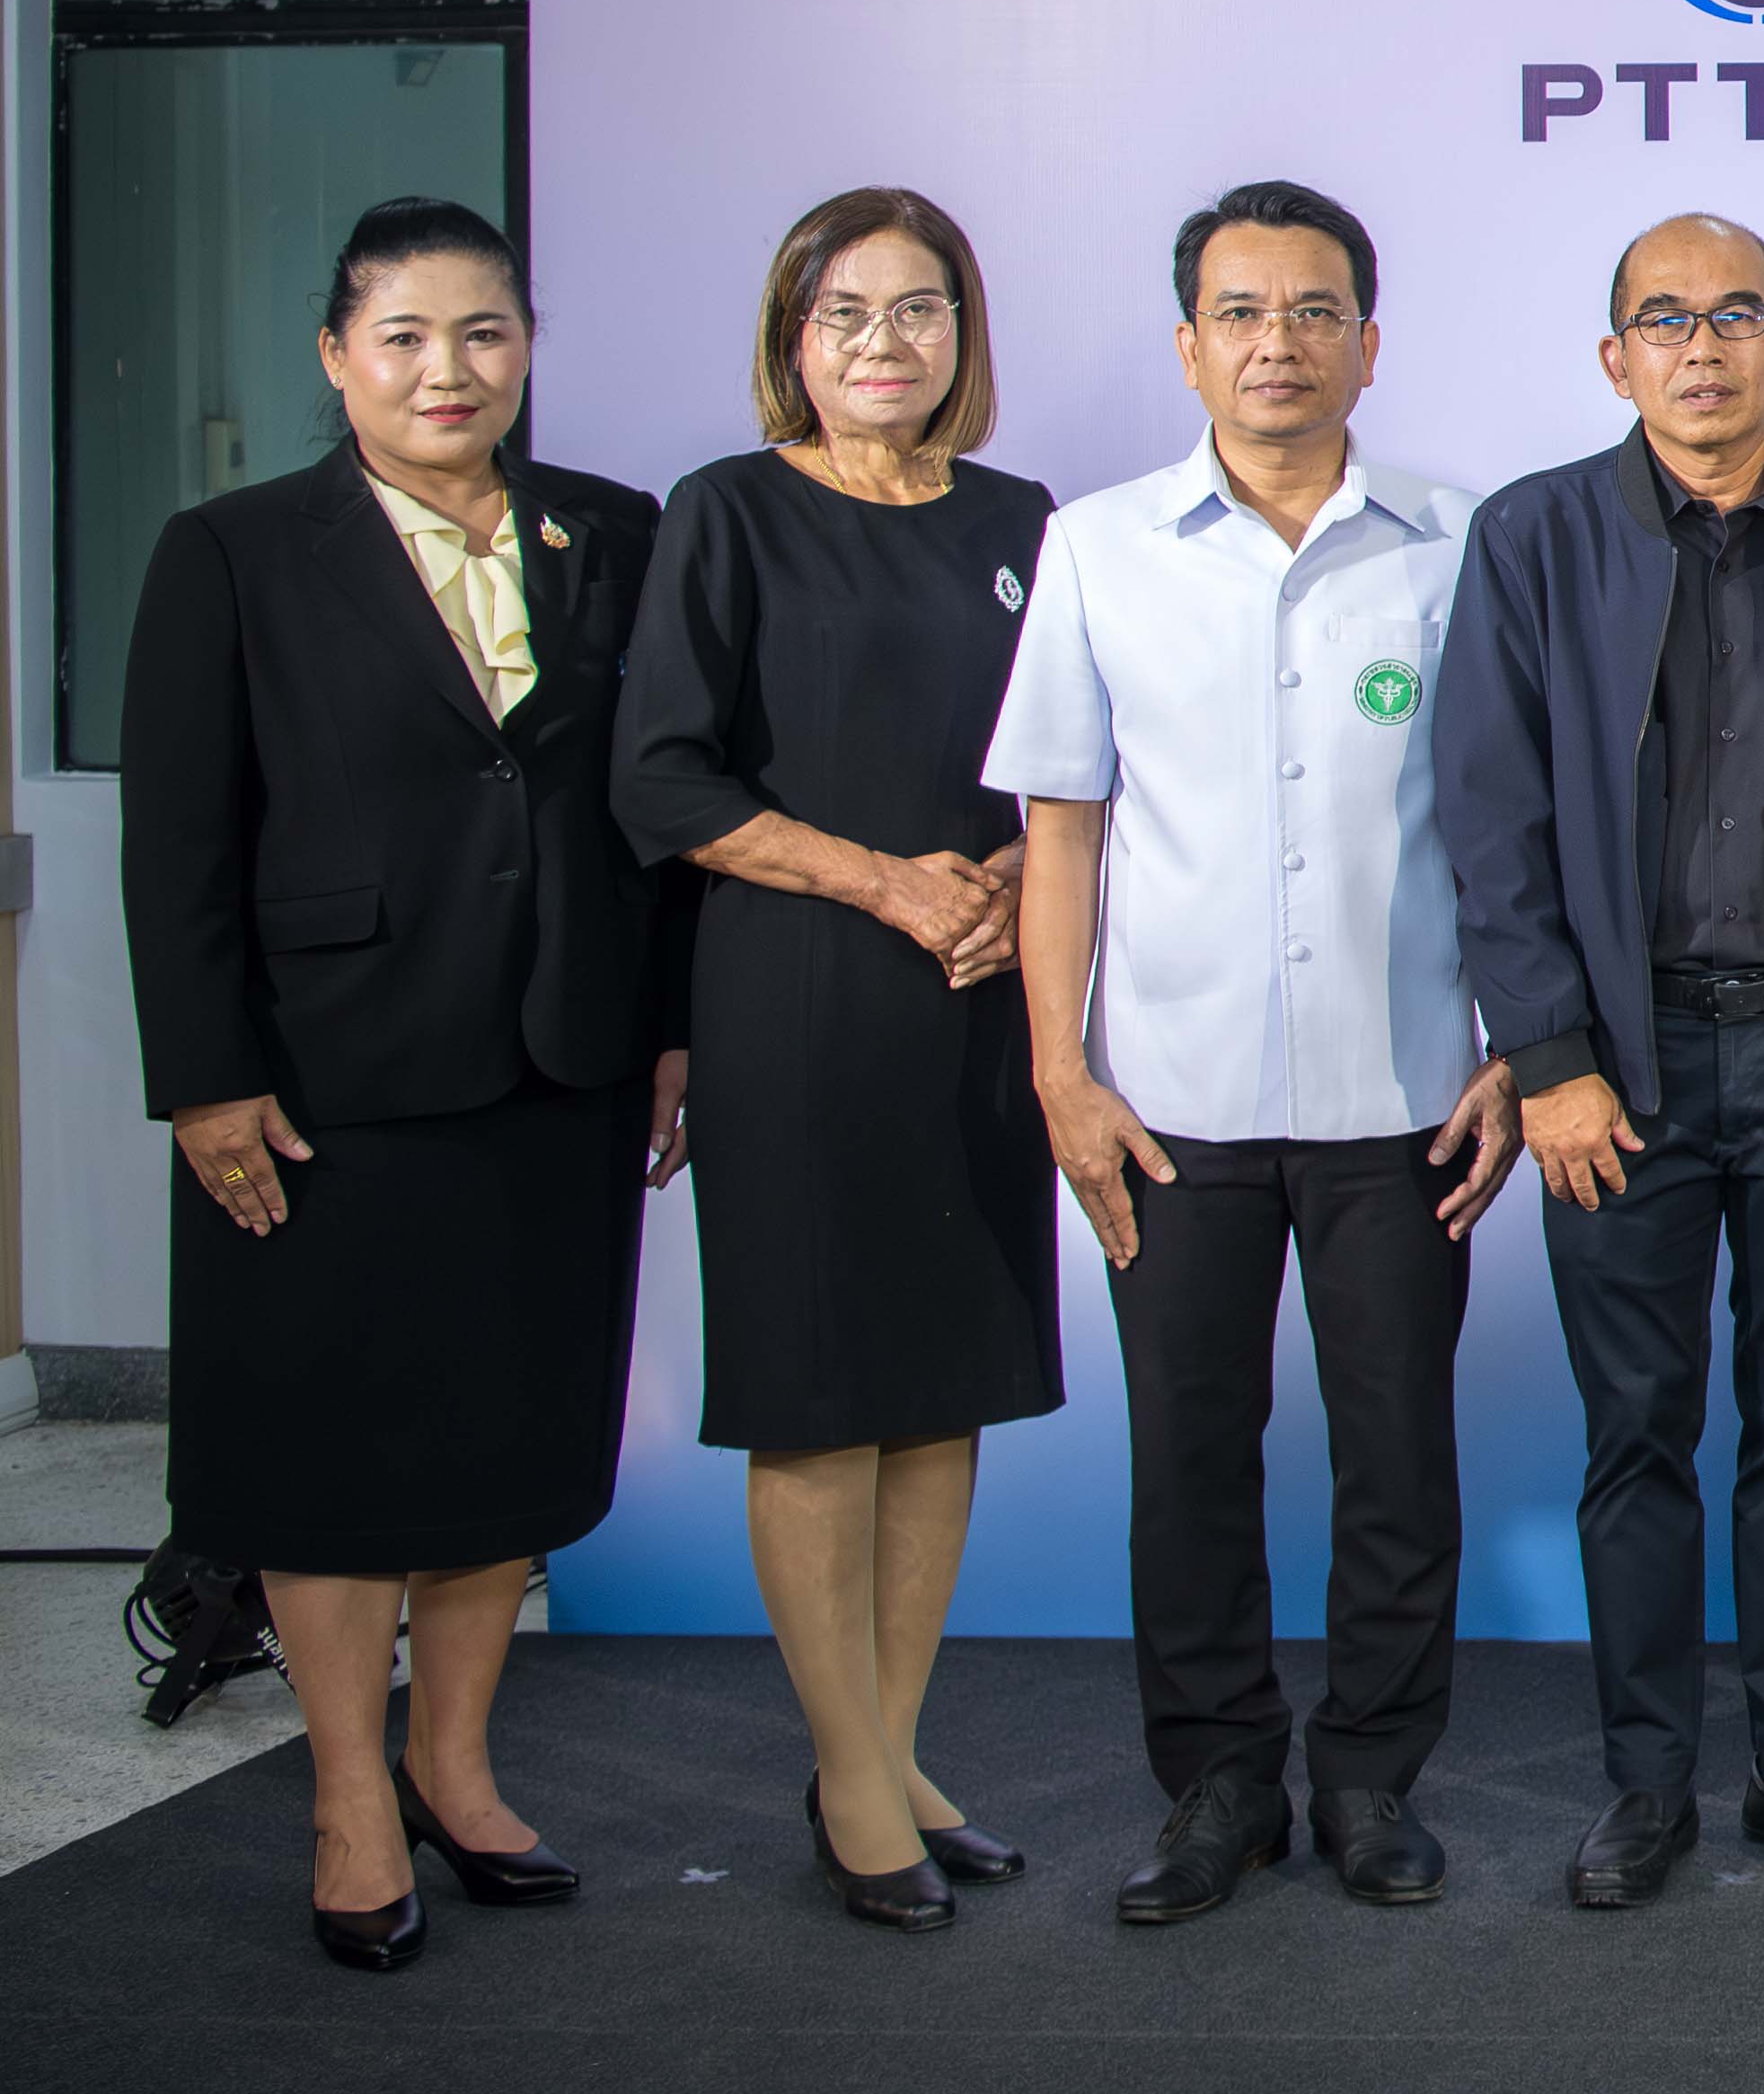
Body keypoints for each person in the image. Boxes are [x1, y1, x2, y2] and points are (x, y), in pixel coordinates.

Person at [120, 198, 692, 1970]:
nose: (450, 368)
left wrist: (670, 1022)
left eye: (485, 332)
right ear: (335, 353)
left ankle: (454, 1765)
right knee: (330, 1445)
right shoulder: (232, 551)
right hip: (325, 1071)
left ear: (525, 346)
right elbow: (179, 841)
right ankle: (347, 1798)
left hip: (559, 1052)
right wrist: (204, 1077)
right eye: (406, 336)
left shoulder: (610, 528)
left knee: (502, 1433)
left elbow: (654, 801)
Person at [992, 182, 1516, 1925]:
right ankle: (1219, 1778)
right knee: (1189, 1455)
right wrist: (1061, 1071)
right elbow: (1060, 829)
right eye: (1240, 311)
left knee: (1399, 1454)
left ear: (1369, 341)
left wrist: (1518, 1043)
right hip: (1169, 1100)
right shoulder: (1098, 546)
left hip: (1405, 1090)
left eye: (1312, 311)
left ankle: (1370, 1774)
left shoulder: (1461, 541)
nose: (1275, 343)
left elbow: (1511, 819)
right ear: (1187, 344)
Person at [1433, 215, 1764, 1913]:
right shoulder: (1532, 534)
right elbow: (1489, 815)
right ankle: (1646, 1784)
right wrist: (1549, 1056)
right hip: (1619, 1069)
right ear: (1615, 357)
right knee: (1636, 1433)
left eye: (1736, 315)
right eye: (1664, 319)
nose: (1701, 347)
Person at [610, 189, 1062, 1932]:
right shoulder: (727, 510)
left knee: (941, 1384)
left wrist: (1010, 879)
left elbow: (1071, 755)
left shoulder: (1022, 520)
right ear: (792, 335)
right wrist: (884, 878)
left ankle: (891, 1745)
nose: (886, 341)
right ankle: (850, 1774)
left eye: (919, 307)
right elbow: (663, 778)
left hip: (976, 988)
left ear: (964, 330)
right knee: (819, 1391)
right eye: (846, 310)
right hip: (797, 989)